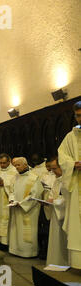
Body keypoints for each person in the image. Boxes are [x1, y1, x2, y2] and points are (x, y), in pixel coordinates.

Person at [57, 100, 81, 269]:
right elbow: (62, 156)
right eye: (78, 116)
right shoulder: (70, 137)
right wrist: (73, 164)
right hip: (76, 185)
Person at [8, 157, 44, 258]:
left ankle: (29, 252)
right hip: (16, 208)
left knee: (27, 231)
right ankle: (16, 250)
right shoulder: (15, 177)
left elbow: (35, 195)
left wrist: (22, 204)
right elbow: (11, 191)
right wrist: (12, 200)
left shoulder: (33, 178)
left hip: (29, 210)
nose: (16, 167)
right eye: (15, 165)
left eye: (18, 165)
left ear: (25, 164)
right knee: (16, 231)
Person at [43, 157, 68, 266]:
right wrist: (47, 201)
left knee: (62, 241)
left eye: (55, 168)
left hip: (64, 216)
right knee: (55, 240)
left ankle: (63, 262)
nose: (52, 171)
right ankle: (54, 262)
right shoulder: (57, 180)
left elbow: (68, 199)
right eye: (51, 169)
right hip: (55, 214)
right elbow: (53, 195)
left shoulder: (68, 180)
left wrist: (55, 201)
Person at [0, 153, 17, 247]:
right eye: (0, 163)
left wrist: (4, 183)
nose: (2, 165)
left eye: (4, 163)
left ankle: (6, 242)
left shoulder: (14, 171)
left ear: (9, 161)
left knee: (6, 219)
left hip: (7, 198)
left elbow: (15, 184)